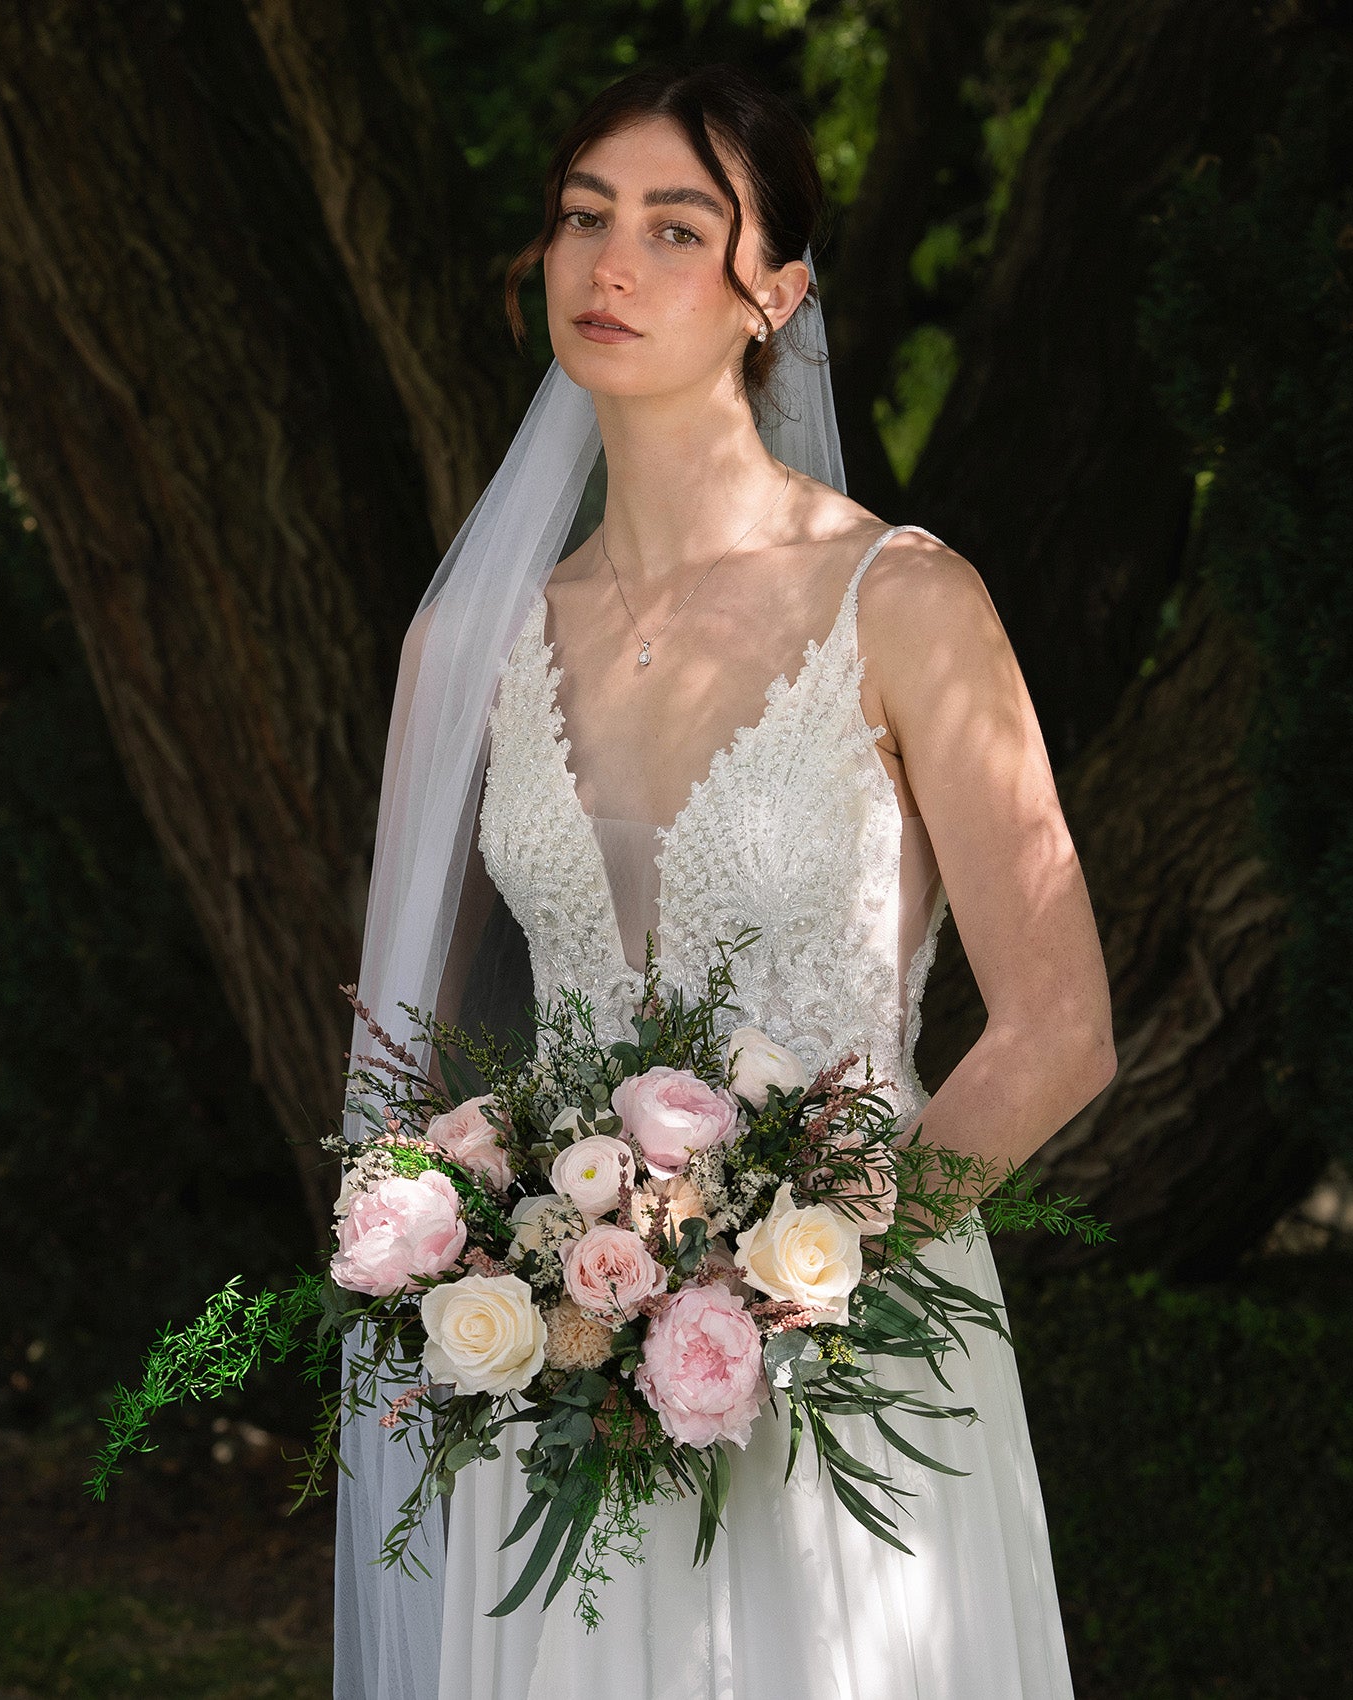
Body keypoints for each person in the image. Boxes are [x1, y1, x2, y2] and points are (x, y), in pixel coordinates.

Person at [334, 61, 1117, 1700]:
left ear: (777, 292)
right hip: (559, 1375)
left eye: (678, 230)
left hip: (853, 1374)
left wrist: (803, 1277)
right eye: (581, 218)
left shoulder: (906, 603)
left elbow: (1056, 1029)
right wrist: (485, 1235)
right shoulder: (468, 647)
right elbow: (418, 1033)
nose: (610, 266)